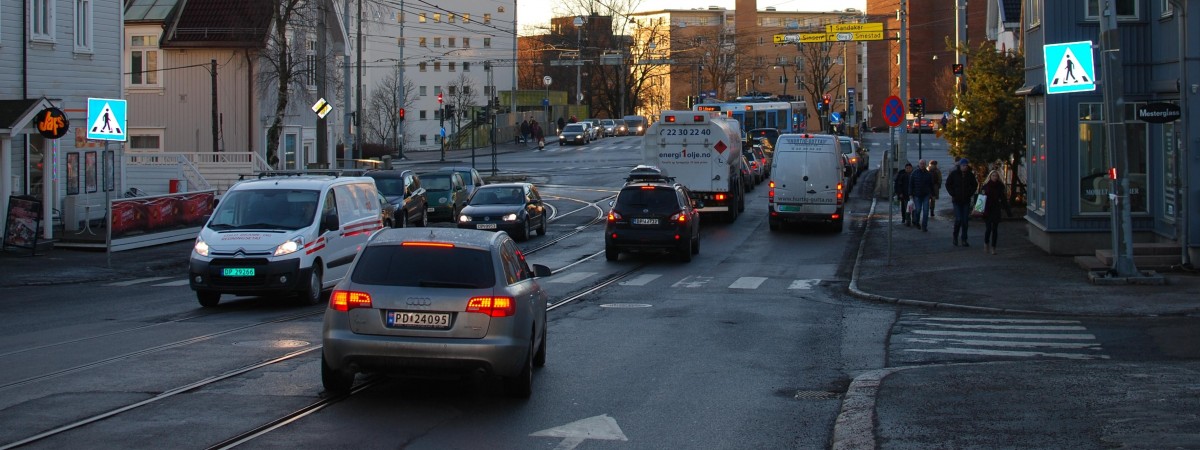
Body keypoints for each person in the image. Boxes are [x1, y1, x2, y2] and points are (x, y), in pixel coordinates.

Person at [945, 158, 979, 246]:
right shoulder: (954, 174)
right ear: (960, 166)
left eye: (966, 166)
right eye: (963, 165)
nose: (965, 167)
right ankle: (955, 236)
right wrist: (953, 193)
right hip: (956, 200)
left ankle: (964, 239)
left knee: (965, 221)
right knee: (958, 219)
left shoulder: (969, 175)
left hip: (966, 200)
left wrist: (970, 193)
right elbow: (948, 184)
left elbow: (974, 185)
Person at [980, 170, 1013, 255]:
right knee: (988, 228)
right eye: (993, 176)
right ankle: (986, 243)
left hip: (996, 209)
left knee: (995, 229)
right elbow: (981, 199)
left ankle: (993, 247)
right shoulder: (986, 186)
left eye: (996, 176)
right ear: (990, 176)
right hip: (987, 210)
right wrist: (979, 210)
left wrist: (1008, 211)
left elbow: (1003, 200)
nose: (995, 177)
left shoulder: (1000, 187)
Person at [908, 159, 935, 231]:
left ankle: (924, 226)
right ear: (919, 164)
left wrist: (933, 194)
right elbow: (911, 184)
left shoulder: (928, 174)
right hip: (917, 195)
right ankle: (917, 222)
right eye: (921, 163)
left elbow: (931, 185)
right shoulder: (914, 173)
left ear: (925, 164)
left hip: (926, 195)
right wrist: (910, 194)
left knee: (926, 211)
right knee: (918, 210)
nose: (922, 165)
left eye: (923, 164)